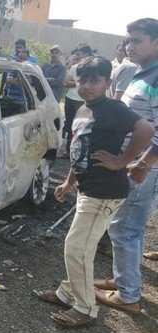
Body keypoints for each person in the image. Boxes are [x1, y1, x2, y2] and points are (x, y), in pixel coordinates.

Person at [36, 56, 154, 327]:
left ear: (107, 83)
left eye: (94, 80)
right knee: (80, 246)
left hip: (105, 191)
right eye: (82, 80)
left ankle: (86, 308)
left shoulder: (113, 108)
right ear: (75, 81)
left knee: (77, 248)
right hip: (88, 190)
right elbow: (80, 150)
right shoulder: (83, 110)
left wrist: (122, 161)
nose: (87, 86)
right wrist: (69, 182)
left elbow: (146, 129)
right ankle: (67, 292)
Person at [92, 18, 158, 314]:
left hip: (142, 168)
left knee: (124, 229)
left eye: (137, 41)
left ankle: (128, 296)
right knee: (132, 227)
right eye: (127, 40)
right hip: (140, 165)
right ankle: (123, 282)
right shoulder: (144, 73)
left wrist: (142, 163)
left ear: (156, 43)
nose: (129, 46)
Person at [61, 44, 92, 158]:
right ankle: (68, 151)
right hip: (70, 99)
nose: (76, 56)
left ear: (87, 55)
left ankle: (79, 153)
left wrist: (75, 83)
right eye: (75, 54)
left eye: (79, 54)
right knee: (69, 125)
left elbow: (87, 85)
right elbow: (66, 83)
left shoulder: (91, 69)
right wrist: (79, 83)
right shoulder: (74, 67)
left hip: (81, 101)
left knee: (80, 126)